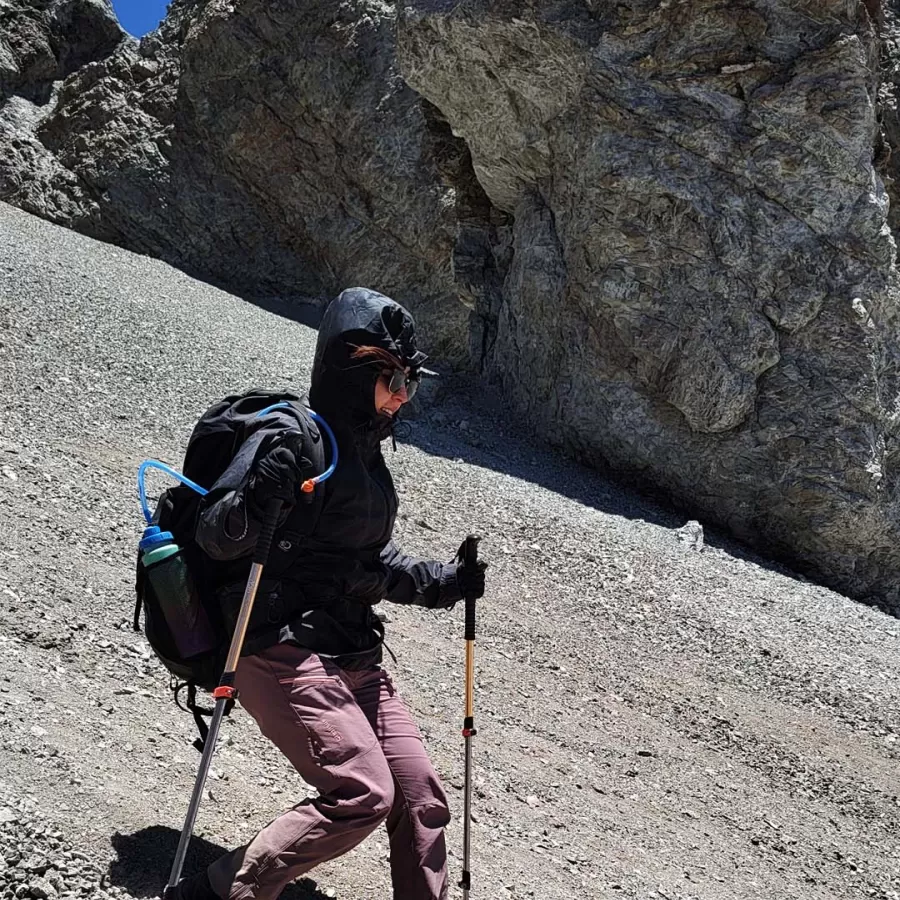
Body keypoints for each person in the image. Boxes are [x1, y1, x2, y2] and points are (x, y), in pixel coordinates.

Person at [166, 287, 487, 900]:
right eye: (392, 378)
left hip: (351, 650)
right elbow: (216, 535)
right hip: (277, 645)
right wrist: (259, 497)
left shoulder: (369, 461)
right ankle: (212, 893)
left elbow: (368, 564)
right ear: (354, 370)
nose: (401, 396)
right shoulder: (292, 436)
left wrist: (445, 582)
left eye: (410, 383)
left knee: (418, 796)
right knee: (363, 793)